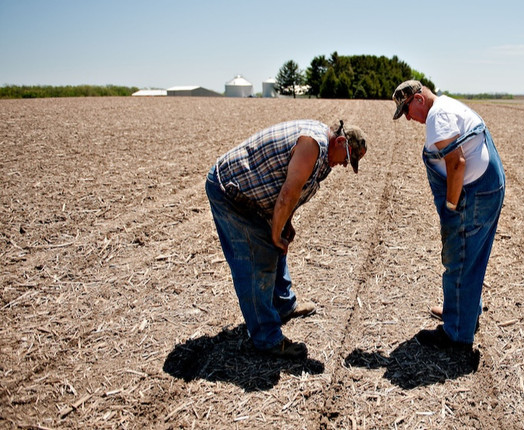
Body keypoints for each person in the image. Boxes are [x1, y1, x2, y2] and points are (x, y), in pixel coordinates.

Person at [205, 119, 367, 359]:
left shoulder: (325, 158)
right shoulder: (312, 144)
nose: (344, 164)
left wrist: (284, 224)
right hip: (231, 192)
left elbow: (293, 192)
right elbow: (287, 193)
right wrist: (274, 231)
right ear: (341, 141)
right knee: (256, 261)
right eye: (347, 158)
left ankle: (283, 305)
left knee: (276, 247)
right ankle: (266, 338)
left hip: (255, 197)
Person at [392, 80, 505, 351]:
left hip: (475, 194)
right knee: (473, 257)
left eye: (406, 110)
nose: (408, 118)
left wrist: (453, 208)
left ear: (418, 99)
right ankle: (464, 313)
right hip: (489, 186)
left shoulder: (437, 116)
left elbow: (456, 164)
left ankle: (456, 333)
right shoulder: (448, 105)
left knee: (460, 258)